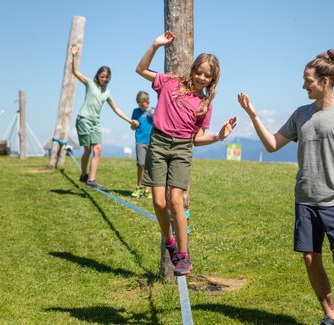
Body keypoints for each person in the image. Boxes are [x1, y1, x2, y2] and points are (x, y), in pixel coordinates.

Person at [237, 49, 334, 325]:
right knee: (311, 259)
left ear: (325, 81)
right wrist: (253, 115)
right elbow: (272, 145)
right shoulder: (301, 114)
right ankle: (331, 315)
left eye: (308, 81)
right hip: (306, 199)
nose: (303, 86)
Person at [136, 31, 236, 276]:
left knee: (175, 201)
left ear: (212, 80)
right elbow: (140, 69)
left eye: (207, 75)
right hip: (158, 143)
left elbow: (196, 139)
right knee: (158, 201)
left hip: (181, 148)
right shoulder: (170, 83)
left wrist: (219, 135)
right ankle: (169, 241)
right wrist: (155, 45)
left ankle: (183, 254)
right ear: (192, 70)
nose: (201, 77)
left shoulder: (204, 104)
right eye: (198, 72)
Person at [71, 44, 139, 189]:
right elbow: (75, 71)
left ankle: (91, 180)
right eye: (102, 77)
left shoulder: (107, 93)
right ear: (97, 76)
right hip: (83, 119)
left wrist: (129, 120)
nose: (104, 79)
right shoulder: (89, 83)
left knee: (98, 150)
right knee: (88, 150)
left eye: (107, 77)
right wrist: (74, 56)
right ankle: (83, 174)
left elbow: (116, 109)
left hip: (95, 122)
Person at [130, 91, 155, 199]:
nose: (141, 105)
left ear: (147, 101)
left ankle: (147, 190)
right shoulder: (135, 111)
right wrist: (134, 125)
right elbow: (132, 127)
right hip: (140, 141)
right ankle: (139, 187)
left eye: (143, 103)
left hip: (152, 141)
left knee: (150, 166)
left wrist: (151, 113)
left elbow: (158, 123)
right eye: (139, 103)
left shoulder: (152, 110)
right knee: (141, 165)